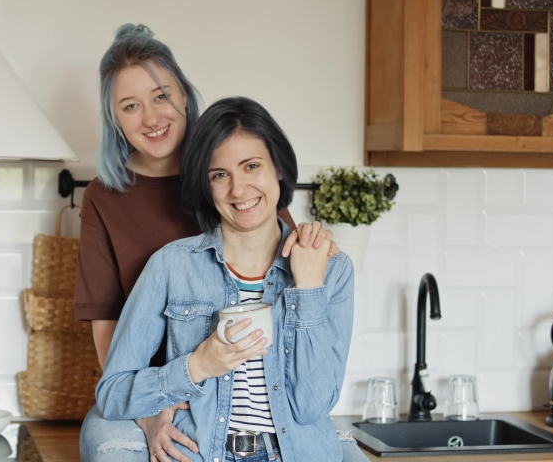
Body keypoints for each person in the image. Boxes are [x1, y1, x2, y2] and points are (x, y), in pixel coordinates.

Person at [75, 24, 361, 462]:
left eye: (161, 96)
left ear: (184, 95)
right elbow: (112, 348)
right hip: (173, 397)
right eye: (130, 106)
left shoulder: (236, 164)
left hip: (278, 419)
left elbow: (282, 244)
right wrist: (154, 407)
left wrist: (314, 268)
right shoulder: (117, 211)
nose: (151, 117)